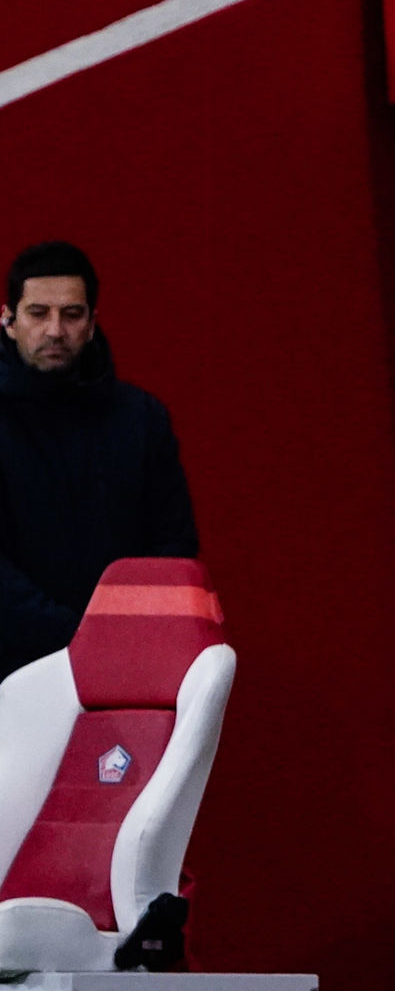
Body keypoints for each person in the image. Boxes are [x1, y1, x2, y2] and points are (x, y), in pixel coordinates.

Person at [0, 241, 199, 683]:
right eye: (38, 313)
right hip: (11, 675)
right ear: (8, 320)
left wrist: (120, 639)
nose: (55, 330)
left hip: (125, 668)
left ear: (92, 324)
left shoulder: (141, 418)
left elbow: (172, 548)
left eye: (72, 314)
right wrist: (77, 637)